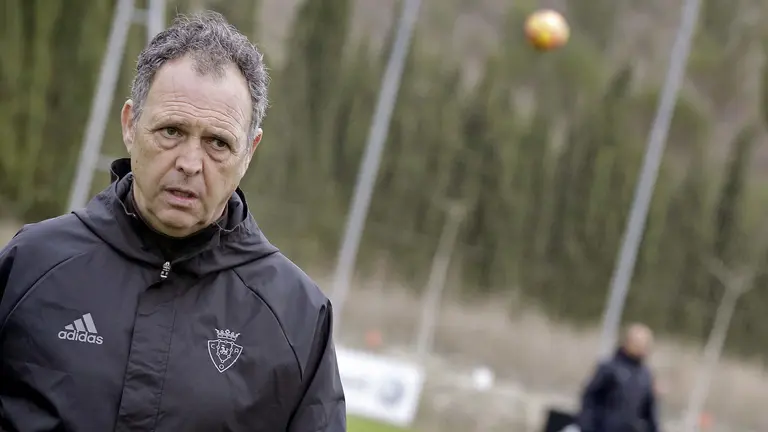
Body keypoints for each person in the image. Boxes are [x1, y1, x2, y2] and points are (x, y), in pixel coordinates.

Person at [0, 11, 345, 432]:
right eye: (171, 131)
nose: (189, 163)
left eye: (218, 143)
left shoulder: (297, 318)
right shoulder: (31, 265)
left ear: (249, 152)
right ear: (130, 125)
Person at [575, 323, 660, 432]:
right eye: (639, 343)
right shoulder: (609, 368)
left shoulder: (646, 376)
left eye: (646, 344)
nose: (643, 348)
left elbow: (650, 412)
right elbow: (589, 400)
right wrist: (586, 426)